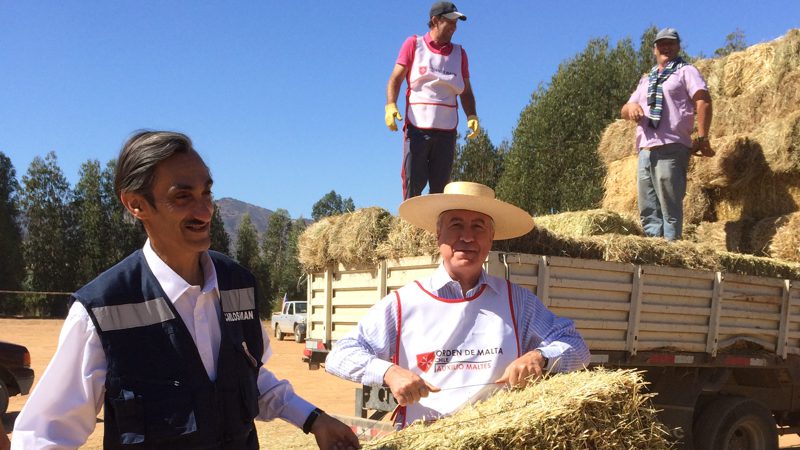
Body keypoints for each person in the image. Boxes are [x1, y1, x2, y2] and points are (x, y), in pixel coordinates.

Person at [11, 131, 359, 450]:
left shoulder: (238, 284)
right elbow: (45, 434)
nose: (204, 210)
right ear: (136, 204)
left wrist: (314, 419)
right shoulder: (102, 309)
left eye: (206, 192)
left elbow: (249, 379)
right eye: (183, 196)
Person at [325, 181, 590, 428]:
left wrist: (540, 358)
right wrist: (390, 372)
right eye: (455, 225)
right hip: (426, 439)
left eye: (478, 226)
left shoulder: (517, 302)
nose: (467, 237)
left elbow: (577, 346)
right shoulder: (403, 303)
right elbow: (340, 355)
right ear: (438, 233)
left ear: (491, 237)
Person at [621, 27, 714, 241]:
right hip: (646, 149)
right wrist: (632, 107)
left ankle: (671, 251)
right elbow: (624, 109)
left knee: (669, 205)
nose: (666, 47)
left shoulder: (686, 71)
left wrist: (702, 137)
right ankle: (655, 251)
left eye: (671, 43)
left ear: (678, 47)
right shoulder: (647, 78)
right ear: (655, 49)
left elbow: (703, 100)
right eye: (662, 43)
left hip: (671, 146)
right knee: (648, 207)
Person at [385, 1, 480, 200]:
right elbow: (395, 79)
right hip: (418, 129)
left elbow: (466, 91)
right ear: (435, 21)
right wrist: (390, 105)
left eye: (456, 23)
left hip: (446, 133)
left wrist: (471, 115)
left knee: (440, 190)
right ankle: (410, 227)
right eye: (450, 22)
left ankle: (436, 229)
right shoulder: (414, 44)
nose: (454, 27)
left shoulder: (460, 54)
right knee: (414, 184)